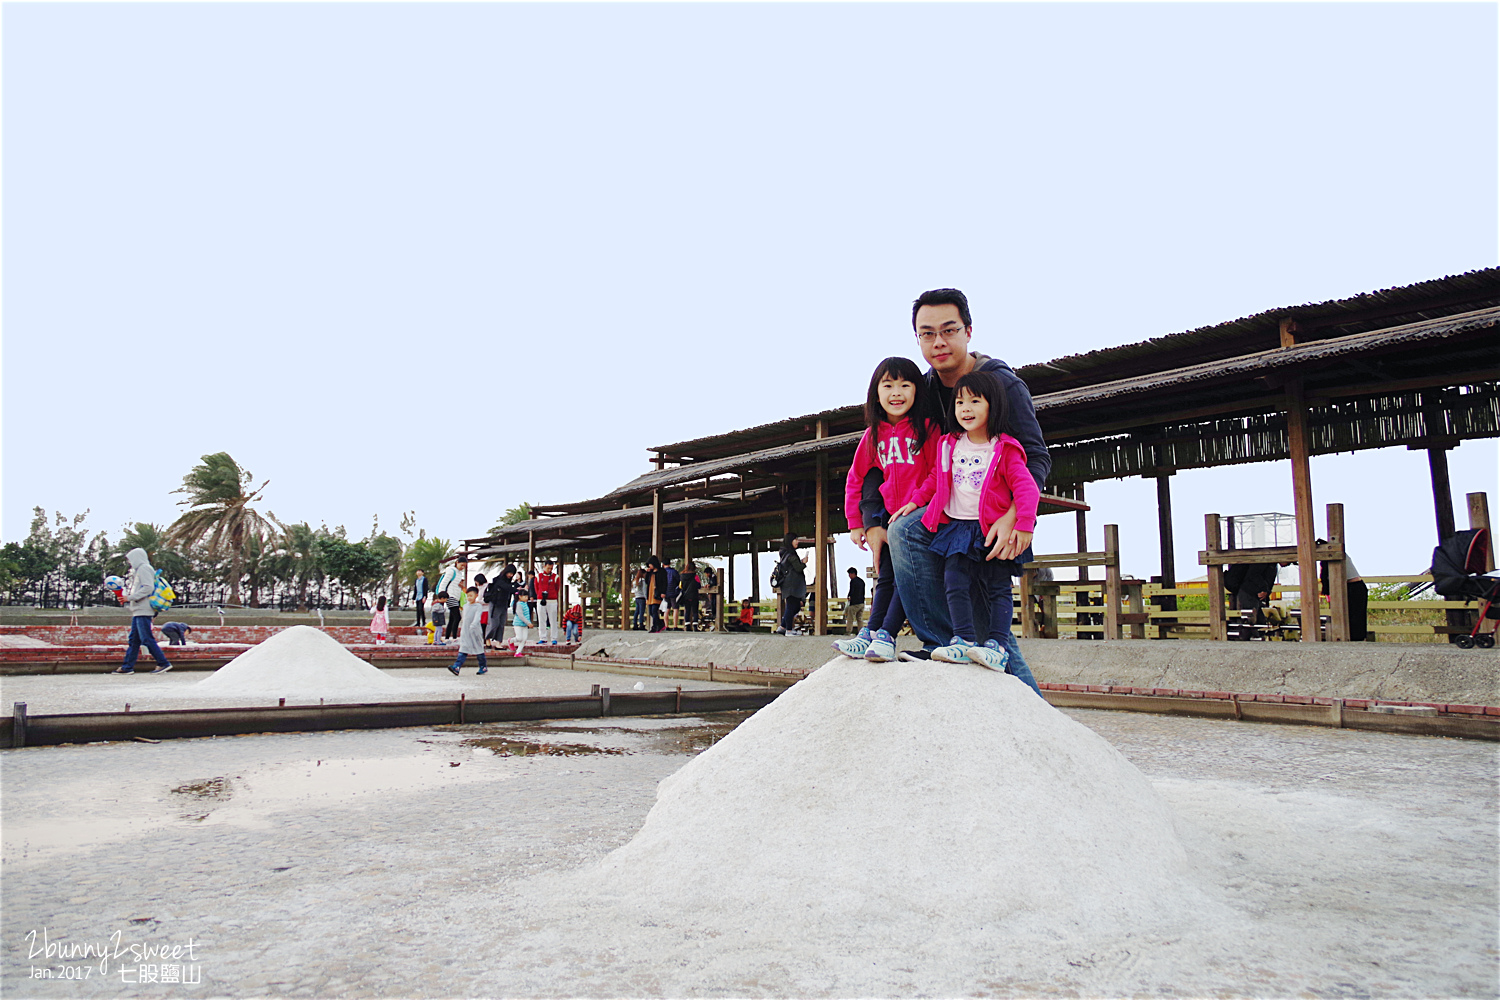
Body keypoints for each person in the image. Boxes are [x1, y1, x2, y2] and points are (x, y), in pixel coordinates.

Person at [885, 289, 1050, 682]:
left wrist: (1015, 517)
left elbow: (1037, 457)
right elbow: (886, 453)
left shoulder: (1001, 386)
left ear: (969, 331)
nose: (938, 342)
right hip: (949, 519)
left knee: (989, 629)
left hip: (993, 522)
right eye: (927, 334)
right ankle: (951, 644)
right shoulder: (921, 391)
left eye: (948, 330)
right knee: (902, 528)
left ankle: (945, 643)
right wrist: (872, 519)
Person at [897, 370, 1042, 695]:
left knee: (997, 589)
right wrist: (915, 501)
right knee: (955, 582)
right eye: (960, 401)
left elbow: (1026, 488)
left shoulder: (1005, 449)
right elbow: (935, 479)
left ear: (994, 406)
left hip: (990, 531)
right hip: (957, 529)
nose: (965, 408)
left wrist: (1023, 524)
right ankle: (961, 640)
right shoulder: (949, 445)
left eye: (975, 401)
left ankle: (997, 644)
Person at [836, 356, 940, 661]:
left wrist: (917, 501)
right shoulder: (873, 436)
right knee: (886, 576)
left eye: (905, 385)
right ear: (876, 393)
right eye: (888, 385)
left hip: (921, 519)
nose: (897, 392)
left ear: (917, 391)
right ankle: (870, 633)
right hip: (894, 522)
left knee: (904, 579)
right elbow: (855, 479)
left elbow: (938, 471)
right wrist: (855, 521)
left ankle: (886, 634)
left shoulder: (928, 429)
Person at [112, 547, 173, 674]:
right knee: (134, 640)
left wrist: (130, 598)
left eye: (131, 559)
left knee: (146, 638)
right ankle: (127, 667)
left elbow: (148, 588)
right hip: (139, 609)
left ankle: (163, 663)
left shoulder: (144, 568)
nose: (130, 562)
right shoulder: (141, 570)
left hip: (143, 609)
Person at [1318, 541, 1369, 642]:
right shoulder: (1338, 554)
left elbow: (1326, 577)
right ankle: (1355, 638)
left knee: (1354, 618)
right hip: (1353, 586)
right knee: (1353, 617)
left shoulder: (1333, 555)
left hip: (1352, 587)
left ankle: (1355, 639)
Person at [1223, 562, 1279, 641]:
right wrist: (1264, 589)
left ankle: (1253, 637)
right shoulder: (1263, 564)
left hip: (1253, 593)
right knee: (1249, 619)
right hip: (1249, 592)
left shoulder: (1271, 566)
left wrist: (1266, 591)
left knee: (1256, 618)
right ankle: (1248, 638)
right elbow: (1253, 575)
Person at [770, 533, 808, 636]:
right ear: (790, 541)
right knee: (791, 606)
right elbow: (798, 568)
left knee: (794, 606)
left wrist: (800, 562)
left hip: (789, 585)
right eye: (795, 539)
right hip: (791, 585)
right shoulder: (791, 554)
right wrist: (804, 562)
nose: (797, 541)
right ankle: (789, 630)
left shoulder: (785, 553)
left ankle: (782, 627)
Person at [447, 586, 488, 675]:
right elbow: (464, 619)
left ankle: (483, 666)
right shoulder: (465, 606)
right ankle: (457, 667)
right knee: (464, 647)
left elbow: (477, 617)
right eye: (468, 596)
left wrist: (473, 626)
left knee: (478, 648)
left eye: (471, 595)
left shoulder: (478, 606)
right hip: (465, 631)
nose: (469, 597)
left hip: (475, 631)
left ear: (476, 595)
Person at [483, 565, 518, 650]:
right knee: (494, 624)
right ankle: (487, 639)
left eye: (512, 574)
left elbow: (510, 588)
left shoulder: (509, 582)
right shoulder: (498, 580)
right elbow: (507, 588)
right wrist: (517, 589)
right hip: (495, 604)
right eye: (509, 573)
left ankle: (498, 643)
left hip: (504, 605)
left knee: (501, 624)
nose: (510, 575)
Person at [436, 557, 467, 642]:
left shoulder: (459, 573)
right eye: (462, 565)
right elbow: (444, 583)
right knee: (457, 617)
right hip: (450, 596)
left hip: (455, 596)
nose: (462, 567)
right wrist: (441, 595)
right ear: (457, 562)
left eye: (464, 566)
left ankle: (447, 637)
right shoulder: (451, 571)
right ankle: (454, 637)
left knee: (452, 618)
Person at [534, 560, 561, 645]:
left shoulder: (556, 577)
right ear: (544, 567)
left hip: (552, 600)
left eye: (551, 568)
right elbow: (536, 588)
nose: (550, 570)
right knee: (541, 619)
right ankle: (543, 637)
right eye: (548, 568)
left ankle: (554, 638)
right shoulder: (538, 577)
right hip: (541, 600)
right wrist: (540, 596)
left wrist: (552, 595)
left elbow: (557, 588)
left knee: (553, 620)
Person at [645, 556, 669, 633]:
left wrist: (663, 592)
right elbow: (646, 582)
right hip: (650, 594)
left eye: (650, 564)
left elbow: (664, 582)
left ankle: (655, 626)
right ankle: (661, 623)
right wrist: (647, 573)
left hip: (657, 593)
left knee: (654, 610)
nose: (649, 566)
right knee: (651, 612)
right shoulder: (650, 572)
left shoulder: (662, 571)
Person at [680, 563, 701, 630]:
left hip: (685, 595)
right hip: (694, 595)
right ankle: (695, 625)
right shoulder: (695, 576)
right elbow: (699, 585)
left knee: (687, 610)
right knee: (695, 610)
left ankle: (687, 625)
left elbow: (681, 586)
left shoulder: (682, 575)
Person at [844, 569, 866, 635]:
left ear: (853, 574)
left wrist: (849, 596)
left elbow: (852, 591)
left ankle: (848, 631)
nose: (849, 576)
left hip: (854, 603)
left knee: (850, 617)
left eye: (850, 574)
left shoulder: (853, 581)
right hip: (861, 602)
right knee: (859, 618)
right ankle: (861, 631)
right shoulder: (862, 581)